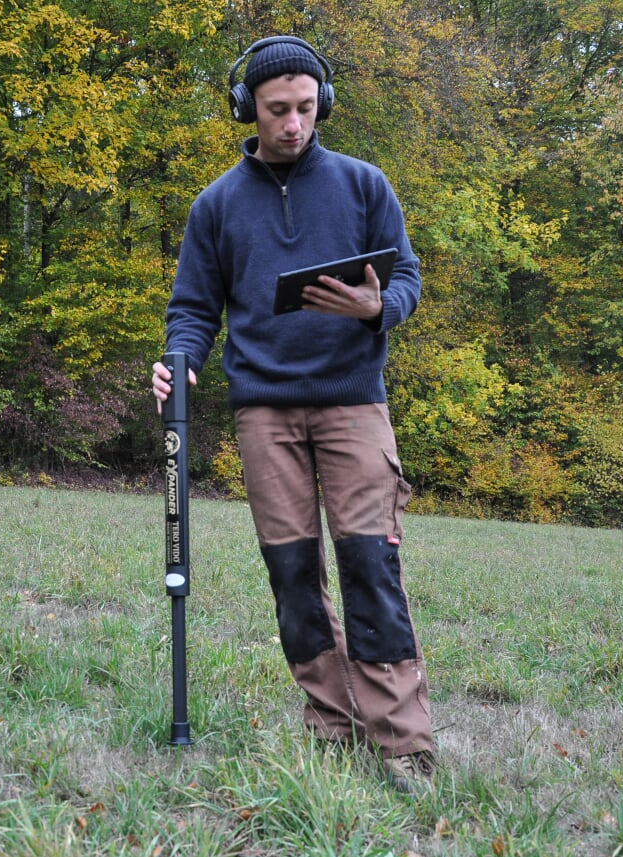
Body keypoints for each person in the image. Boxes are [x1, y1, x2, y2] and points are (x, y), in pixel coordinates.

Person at [151, 35, 436, 791]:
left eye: (307, 109)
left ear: (323, 104)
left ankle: (404, 745)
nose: (294, 125)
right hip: (264, 412)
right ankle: (331, 725)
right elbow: (191, 310)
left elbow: (405, 273)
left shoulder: (364, 185)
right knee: (293, 575)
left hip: (353, 404)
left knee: (371, 567)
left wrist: (379, 306)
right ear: (249, 108)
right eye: (278, 110)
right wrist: (178, 364)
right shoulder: (216, 205)